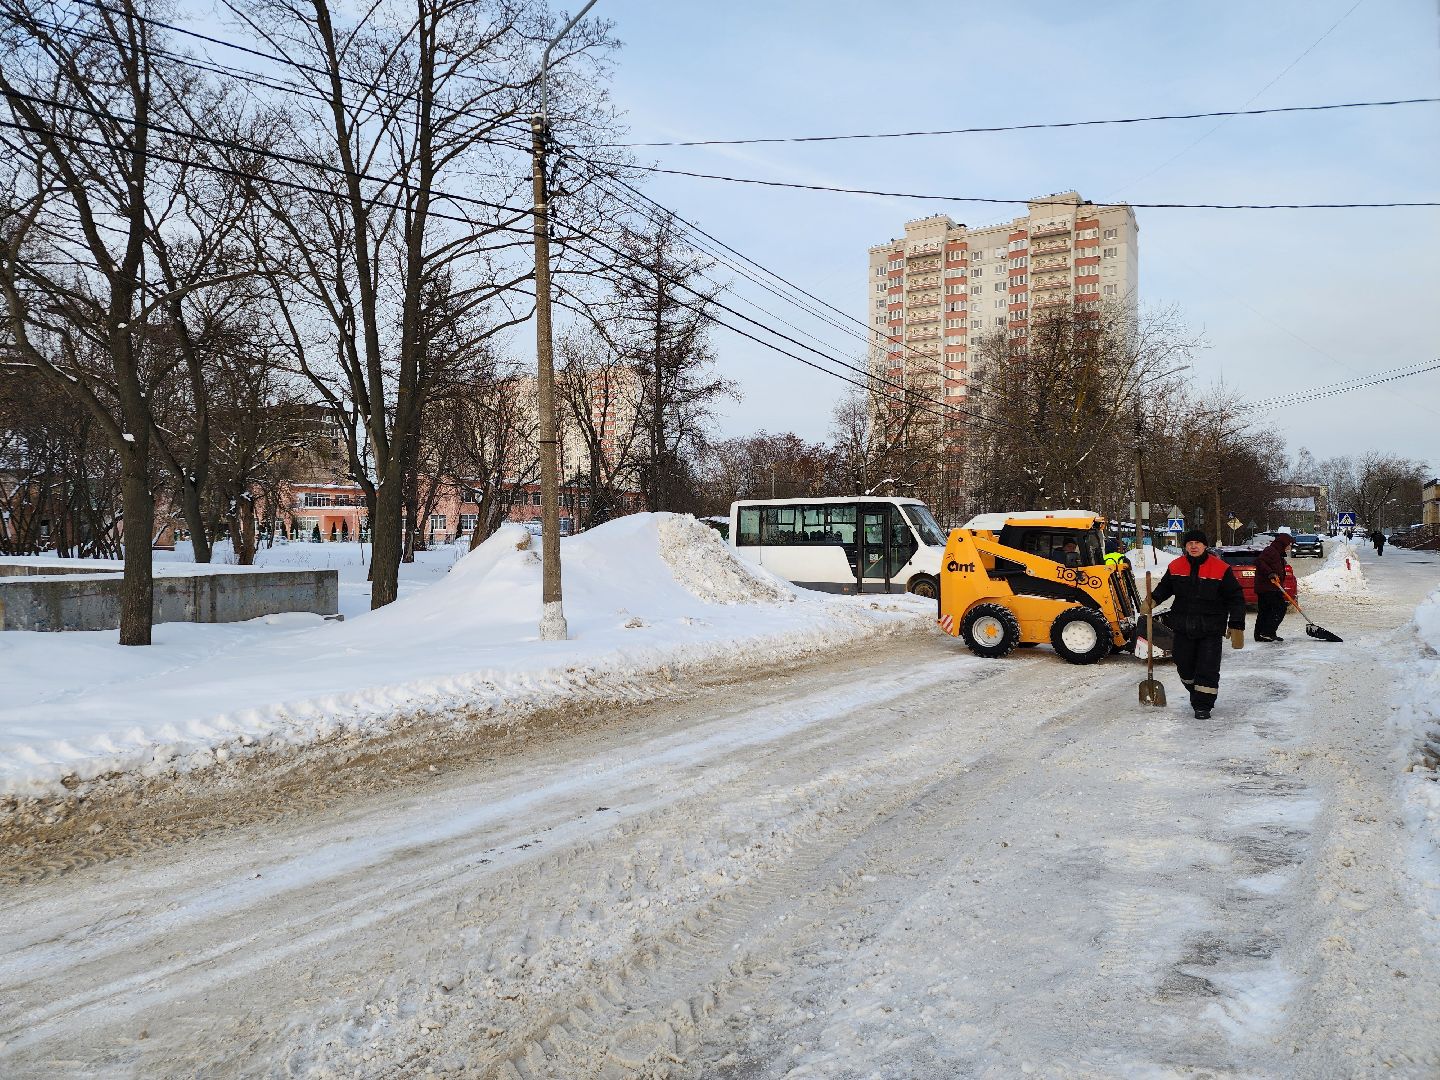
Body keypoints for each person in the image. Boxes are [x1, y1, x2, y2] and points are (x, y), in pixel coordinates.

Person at [1147, 528, 1246, 720]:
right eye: (1190, 543)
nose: (1193, 546)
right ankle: (1197, 692)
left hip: (1211, 628)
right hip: (1183, 626)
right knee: (1183, 665)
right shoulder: (1176, 566)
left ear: (1205, 546)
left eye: (1197, 543)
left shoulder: (1220, 568)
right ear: (1185, 546)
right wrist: (1153, 599)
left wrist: (1236, 624)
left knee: (1207, 667)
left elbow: (1235, 598)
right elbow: (1165, 587)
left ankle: (1203, 705)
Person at [1254, 533, 1294, 642]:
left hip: (1271, 587)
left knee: (1266, 610)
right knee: (1279, 608)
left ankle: (1262, 634)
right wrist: (1270, 573)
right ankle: (1266, 632)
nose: (1289, 547)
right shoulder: (1271, 551)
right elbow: (1259, 561)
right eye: (1289, 544)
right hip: (1267, 587)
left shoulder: (1278, 553)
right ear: (1283, 544)